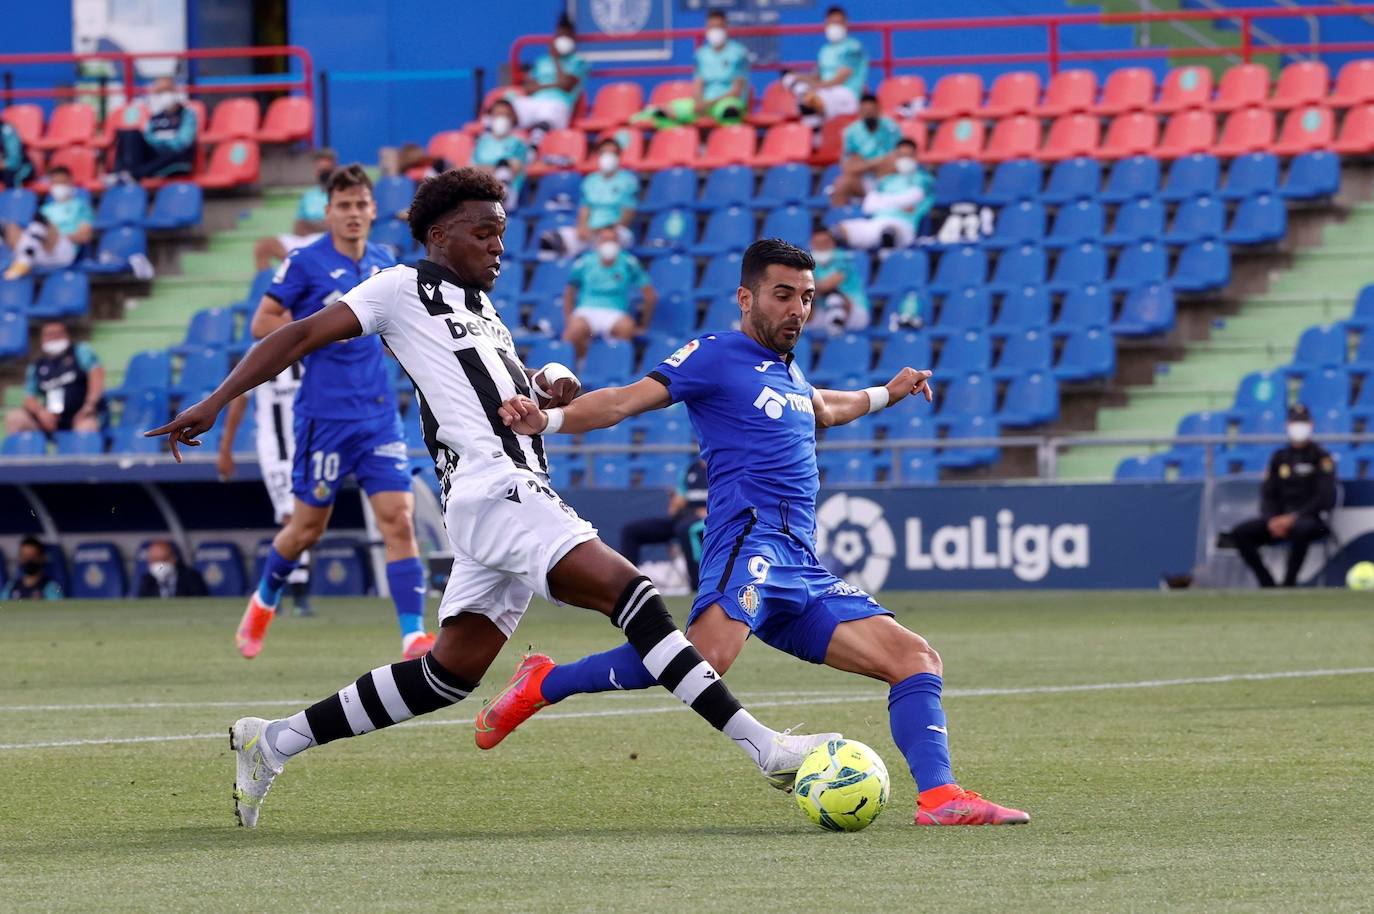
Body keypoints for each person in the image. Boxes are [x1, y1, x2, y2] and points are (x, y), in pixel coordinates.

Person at [146, 168, 836, 828]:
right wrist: (215, 401)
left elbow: (497, 393)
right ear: (441, 234)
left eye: (502, 234)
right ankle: (766, 750)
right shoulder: (397, 287)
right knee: (635, 597)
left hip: (501, 494)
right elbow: (298, 334)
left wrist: (546, 387)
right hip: (494, 489)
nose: (499, 246)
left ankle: (273, 742)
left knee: (447, 675)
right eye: (484, 232)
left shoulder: (484, 312)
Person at [484, 237, 1030, 827]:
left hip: (802, 562)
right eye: (783, 295)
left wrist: (885, 394)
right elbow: (623, 401)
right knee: (704, 660)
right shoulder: (714, 356)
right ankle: (546, 683)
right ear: (746, 297)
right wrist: (551, 420)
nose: (798, 308)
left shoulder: (789, 375)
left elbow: (825, 407)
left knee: (917, 658)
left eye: (808, 297)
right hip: (749, 542)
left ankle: (940, 798)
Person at [233, 163, 430, 660]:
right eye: (343, 206)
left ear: (373, 210)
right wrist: (318, 323)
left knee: (398, 520)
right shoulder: (304, 263)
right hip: (324, 417)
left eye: (361, 205)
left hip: (377, 415)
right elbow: (262, 323)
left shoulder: (386, 264)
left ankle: (413, 635)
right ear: (328, 213)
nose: (353, 214)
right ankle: (264, 599)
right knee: (306, 530)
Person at [217, 363, 314, 617]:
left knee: (308, 521)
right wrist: (226, 448)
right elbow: (239, 399)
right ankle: (292, 593)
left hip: (310, 446)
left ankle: (278, 590)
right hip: (277, 451)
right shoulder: (261, 353)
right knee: (292, 517)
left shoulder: (311, 347)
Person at [1230, 403, 1337, 588]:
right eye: (1295, 423)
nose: (1299, 427)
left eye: (1303, 423)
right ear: (1287, 426)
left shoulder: (1321, 457)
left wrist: (1293, 518)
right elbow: (1268, 494)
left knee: (1301, 530)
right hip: (1278, 521)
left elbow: (1325, 497)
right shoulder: (1279, 457)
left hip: (1313, 521)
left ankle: (1289, 583)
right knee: (1240, 533)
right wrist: (1272, 519)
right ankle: (1267, 583)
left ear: (1311, 425)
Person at [632, 11, 749, 128]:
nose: (715, 31)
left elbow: (736, 92)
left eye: (718, 27)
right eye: (711, 27)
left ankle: (727, 142)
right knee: (666, 112)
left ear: (726, 28)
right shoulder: (701, 54)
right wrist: (699, 102)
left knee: (729, 112)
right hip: (703, 103)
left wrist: (709, 104)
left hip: (726, 103)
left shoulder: (738, 53)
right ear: (706, 28)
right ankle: (673, 136)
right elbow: (698, 84)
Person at [561, 225, 655, 359]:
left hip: (616, 313)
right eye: (605, 239)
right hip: (587, 309)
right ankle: (580, 367)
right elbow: (569, 291)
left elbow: (650, 294)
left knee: (626, 329)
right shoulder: (585, 262)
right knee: (573, 331)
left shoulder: (629, 262)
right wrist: (569, 318)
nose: (608, 244)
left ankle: (613, 370)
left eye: (613, 240)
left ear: (619, 242)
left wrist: (644, 325)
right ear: (598, 242)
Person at [539, 136, 638, 259]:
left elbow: (628, 213)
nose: (608, 156)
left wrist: (607, 230)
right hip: (590, 233)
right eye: (604, 152)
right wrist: (582, 227)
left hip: (615, 231)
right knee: (550, 239)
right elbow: (585, 207)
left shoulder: (628, 180)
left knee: (612, 238)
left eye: (612, 153)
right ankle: (557, 273)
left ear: (619, 156)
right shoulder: (590, 180)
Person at [620, 456, 708, 590]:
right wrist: (675, 503)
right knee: (630, 531)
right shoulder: (691, 469)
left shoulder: (722, 469)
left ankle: (697, 584)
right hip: (684, 518)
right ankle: (628, 584)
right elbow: (679, 501)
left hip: (708, 519)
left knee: (685, 530)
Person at [4, 322, 104, 437]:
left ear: (66, 335)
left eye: (58, 333)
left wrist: (89, 405)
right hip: (51, 419)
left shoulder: (80, 352)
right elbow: (29, 398)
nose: (54, 337)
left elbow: (97, 374)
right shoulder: (37, 366)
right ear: (42, 339)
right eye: (49, 334)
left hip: (81, 415)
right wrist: (41, 412)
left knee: (87, 428)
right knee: (15, 418)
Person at [832, 138, 932, 251]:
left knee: (888, 232)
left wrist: (882, 201)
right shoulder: (887, 180)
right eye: (901, 155)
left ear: (915, 157)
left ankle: (888, 262)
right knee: (837, 232)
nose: (904, 159)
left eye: (908, 155)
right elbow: (868, 206)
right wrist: (897, 203)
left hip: (902, 225)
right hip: (875, 222)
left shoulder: (924, 179)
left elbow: (913, 197)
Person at [2, 166, 94, 280]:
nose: (59, 187)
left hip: (64, 252)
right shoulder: (46, 208)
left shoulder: (81, 206)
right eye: (55, 183)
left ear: (70, 182)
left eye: (62, 183)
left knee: (44, 224)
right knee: (10, 228)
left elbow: (85, 236)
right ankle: (24, 259)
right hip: (40, 251)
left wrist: (60, 235)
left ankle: (24, 260)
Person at [253, 149, 338, 270]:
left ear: (334, 170)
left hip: (326, 241)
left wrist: (311, 225)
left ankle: (299, 268)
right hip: (304, 239)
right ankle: (266, 286)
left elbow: (336, 226)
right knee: (263, 246)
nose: (323, 174)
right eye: (320, 170)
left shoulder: (341, 193)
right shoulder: (309, 196)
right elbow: (298, 227)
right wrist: (316, 224)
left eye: (326, 171)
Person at [781, 6, 869, 122]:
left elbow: (838, 80)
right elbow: (816, 75)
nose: (835, 27)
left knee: (810, 100)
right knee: (793, 83)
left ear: (846, 24)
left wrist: (813, 87)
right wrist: (798, 77)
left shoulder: (853, 47)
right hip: (824, 91)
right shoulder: (825, 50)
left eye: (839, 23)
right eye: (832, 23)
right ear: (826, 24)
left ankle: (810, 107)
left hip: (846, 94)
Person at [508, 15, 588, 137]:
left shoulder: (579, 62)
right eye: (560, 36)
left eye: (567, 36)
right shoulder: (542, 61)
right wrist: (554, 85)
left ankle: (533, 148)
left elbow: (565, 85)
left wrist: (556, 60)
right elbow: (528, 87)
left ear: (573, 39)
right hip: (535, 101)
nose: (563, 40)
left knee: (548, 115)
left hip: (558, 104)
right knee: (506, 106)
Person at [108, 76, 197, 184]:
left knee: (175, 153)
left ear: (175, 91)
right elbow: (148, 136)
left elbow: (182, 142)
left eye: (167, 90)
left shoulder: (187, 114)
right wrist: (157, 143)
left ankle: (133, 175)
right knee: (130, 134)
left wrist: (160, 142)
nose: (164, 95)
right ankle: (122, 173)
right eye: (160, 92)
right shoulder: (155, 116)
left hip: (175, 157)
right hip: (156, 154)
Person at [828, 92, 903, 206]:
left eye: (871, 111)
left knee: (893, 162)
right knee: (842, 183)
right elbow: (849, 167)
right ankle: (838, 220)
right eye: (865, 111)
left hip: (889, 178)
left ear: (878, 109)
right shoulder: (851, 132)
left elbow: (896, 158)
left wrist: (865, 163)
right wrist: (874, 163)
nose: (868, 114)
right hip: (864, 178)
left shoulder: (891, 127)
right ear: (860, 112)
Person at [471, 99, 529, 210]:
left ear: (513, 118)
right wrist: (494, 169)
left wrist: (487, 169)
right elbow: (471, 169)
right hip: (479, 192)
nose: (501, 118)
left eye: (506, 115)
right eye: (498, 114)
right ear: (490, 117)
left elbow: (515, 168)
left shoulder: (518, 143)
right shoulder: (481, 143)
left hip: (507, 196)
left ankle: (498, 201)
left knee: (503, 166)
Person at [808, 228, 870, 333]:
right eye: (817, 243)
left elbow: (827, 286)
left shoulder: (843, 259)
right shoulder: (809, 262)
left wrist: (807, 287)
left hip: (853, 312)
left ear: (833, 243)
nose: (821, 247)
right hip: (822, 310)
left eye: (825, 242)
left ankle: (836, 326)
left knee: (833, 296)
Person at [135, 539, 208, 598]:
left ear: (173, 559)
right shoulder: (147, 581)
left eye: (162, 560)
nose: (159, 566)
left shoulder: (191, 578)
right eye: (154, 560)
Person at [3, 536, 63, 600]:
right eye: (24, 556)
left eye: (32, 556)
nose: (28, 560)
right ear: (19, 558)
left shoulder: (51, 587)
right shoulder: (11, 586)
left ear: (41, 558)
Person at [0, 118, 33, 189]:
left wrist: (3, 164)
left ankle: (14, 199)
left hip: (20, 168)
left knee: (10, 176)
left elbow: (14, 161)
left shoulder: (7, 131)